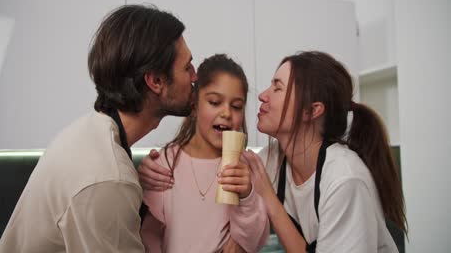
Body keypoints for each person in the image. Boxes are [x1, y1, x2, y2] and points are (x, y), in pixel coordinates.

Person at [140, 51, 408, 252]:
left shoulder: (345, 179)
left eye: (277, 87)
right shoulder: (270, 160)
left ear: (311, 111)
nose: (262, 96)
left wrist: (267, 196)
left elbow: (254, 217)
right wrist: (149, 170)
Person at [0, 4, 197, 253]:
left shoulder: (90, 133)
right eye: (187, 67)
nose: (195, 76)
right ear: (155, 81)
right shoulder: (109, 180)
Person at [139, 54, 269, 253]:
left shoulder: (245, 168)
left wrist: (247, 195)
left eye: (236, 106)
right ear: (194, 105)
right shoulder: (165, 164)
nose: (226, 113)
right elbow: (149, 235)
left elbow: (255, 240)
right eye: (215, 102)